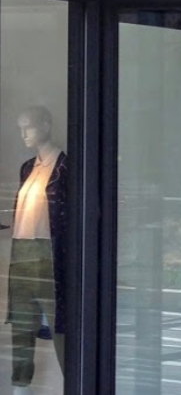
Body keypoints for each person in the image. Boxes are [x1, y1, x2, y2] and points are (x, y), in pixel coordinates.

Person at [8, 106, 66, 395]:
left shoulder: (64, 167)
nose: (23, 134)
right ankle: (20, 386)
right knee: (21, 324)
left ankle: (76, 380)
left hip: (47, 253)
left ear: (45, 125)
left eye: (28, 126)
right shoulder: (27, 167)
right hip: (21, 252)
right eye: (20, 127)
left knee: (59, 325)